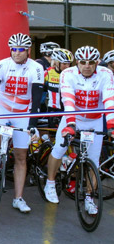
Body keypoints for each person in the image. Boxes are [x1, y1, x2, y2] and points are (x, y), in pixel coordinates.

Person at [0, 33, 42, 214]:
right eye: (14, 49)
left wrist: (33, 123)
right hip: (1, 108)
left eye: (21, 50)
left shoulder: (36, 68)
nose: (17, 53)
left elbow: (36, 99)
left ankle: (18, 198)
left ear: (28, 50)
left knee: (21, 156)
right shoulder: (2, 65)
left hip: (22, 112)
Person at [43, 46, 114, 213]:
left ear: (97, 62)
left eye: (91, 62)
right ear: (77, 62)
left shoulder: (106, 74)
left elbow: (109, 99)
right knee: (59, 149)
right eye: (82, 62)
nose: (87, 66)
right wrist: (71, 125)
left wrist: (111, 125)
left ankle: (89, 197)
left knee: (93, 161)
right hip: (73, 117)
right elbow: (68, 100)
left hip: (95, 121)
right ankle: (50, 183)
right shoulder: (68, 74)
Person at [43, 48, 74, 128]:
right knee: (53, 134)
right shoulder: (48, 73)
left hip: (68, 108)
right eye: (64, 64)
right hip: (53, 109)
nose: (67, 66)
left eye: (69, 64)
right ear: (56, 62)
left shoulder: (72, 74)